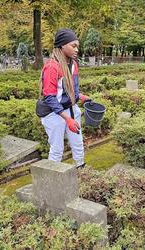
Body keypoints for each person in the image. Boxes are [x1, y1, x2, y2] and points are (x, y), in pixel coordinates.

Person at [39, 28, 91, 169]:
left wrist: (81, 97)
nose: (76, 49)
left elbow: (72, 89)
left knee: (78, 143)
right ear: (62, 45)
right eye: (73, 46)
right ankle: (52, 179)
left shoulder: (73, 64)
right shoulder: (52, 67)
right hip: (53, 113)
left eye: (77, 46)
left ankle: (81, 170)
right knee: (57, 149)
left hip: (71, 109)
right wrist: (67, 119)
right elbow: (50, 97)